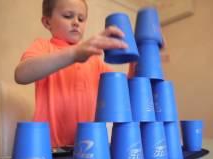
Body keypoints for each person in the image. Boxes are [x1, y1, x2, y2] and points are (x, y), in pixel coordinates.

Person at [14, 0, 128, 148]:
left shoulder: (94, 60)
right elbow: (21, 75)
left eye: (81, 19)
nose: (76, 22)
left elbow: (124, 88)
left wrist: (140, 57)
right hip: (48, 148)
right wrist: (74, 54)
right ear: (47, 22)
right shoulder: (43, 47)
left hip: (86, 149)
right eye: (68, 16)